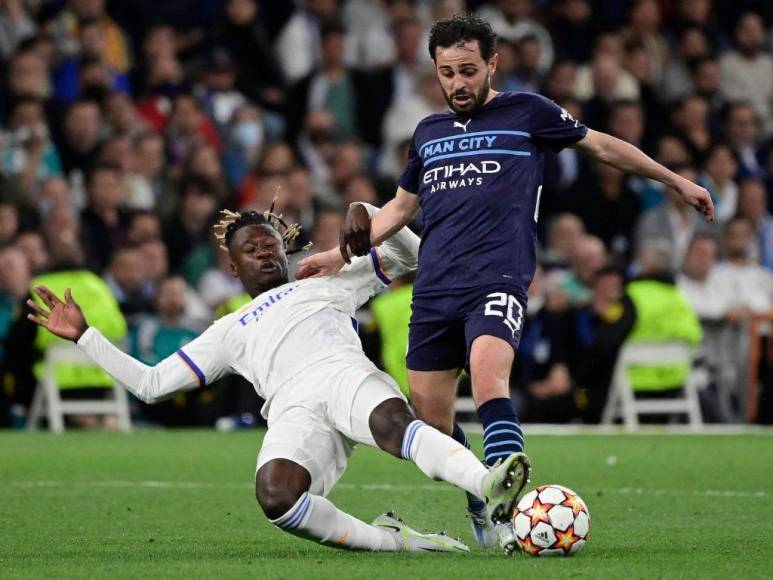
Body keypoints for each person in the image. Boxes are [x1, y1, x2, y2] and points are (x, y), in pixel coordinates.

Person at [297, 13, 715, 551]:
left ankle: (518, 516)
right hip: (434, 286)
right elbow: (400, 208)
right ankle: (481, 502)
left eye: (468, 70)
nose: (458, 84)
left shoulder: (528, 112)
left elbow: (603, 146)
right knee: (432, 424)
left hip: (498, 275)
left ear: (492, 64)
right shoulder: (427, 133)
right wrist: (337, 254)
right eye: (447, 73)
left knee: (490, 378)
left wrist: (676, 180)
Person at [26, 203, 529, 553]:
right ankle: (399, 542)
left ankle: (487, 483)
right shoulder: (226, 329)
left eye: (271, 245)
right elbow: (151, 385)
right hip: (292, 409)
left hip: (342, 373)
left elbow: (414, 255)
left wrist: (368, 212)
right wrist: (86, 336)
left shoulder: (324, 280)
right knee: (276, 496)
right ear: (232, 264)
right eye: (253, 249)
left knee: (396, 424)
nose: (266, 253)